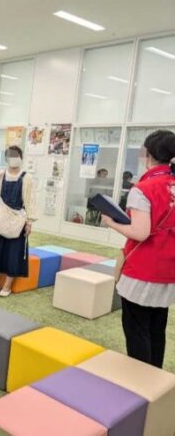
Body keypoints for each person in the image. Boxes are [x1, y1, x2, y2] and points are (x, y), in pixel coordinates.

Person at [102, 130, 175, 369]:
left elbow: (140, 232)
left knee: (137, 329)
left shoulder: (143, 188)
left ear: (148, 153)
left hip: (143, 269)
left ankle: (141, 381)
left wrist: (112, 222)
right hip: (169, 268)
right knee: (157, 327)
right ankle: (155, 378)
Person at [0, 146, 37, 297]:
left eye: (16, 155)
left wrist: (29, 222)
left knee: (14, 253)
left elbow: (30, 201)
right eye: (10, 156)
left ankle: (7, 286)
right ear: (6, 159)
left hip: (17, 223)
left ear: (21, 157)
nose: (13, 159)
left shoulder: (26, 178)